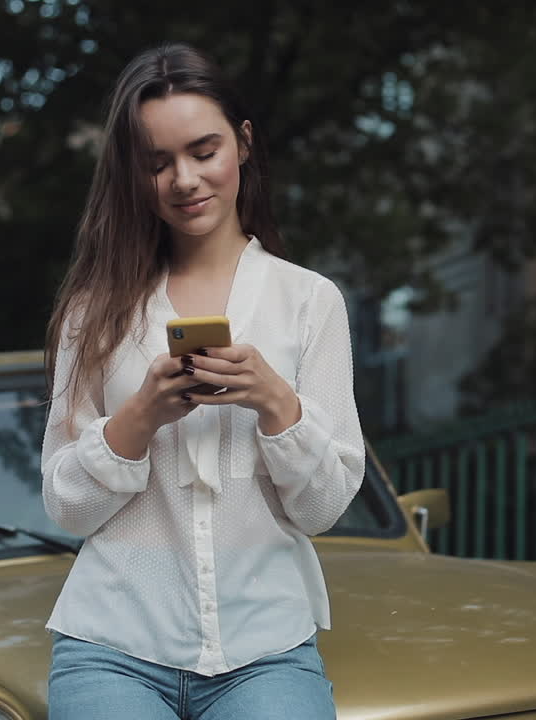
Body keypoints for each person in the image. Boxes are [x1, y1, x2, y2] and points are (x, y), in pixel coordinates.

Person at [39, 41, 365, 720]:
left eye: (203, 151)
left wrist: (277, 402)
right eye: (157, 163)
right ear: (134, 175)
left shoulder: (310, 303)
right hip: (111, 642)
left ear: (243, 144)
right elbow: (66, 506)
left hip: (266, 648)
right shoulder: (93, 314)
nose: (184, 179)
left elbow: (323, 508)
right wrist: (140, 417)